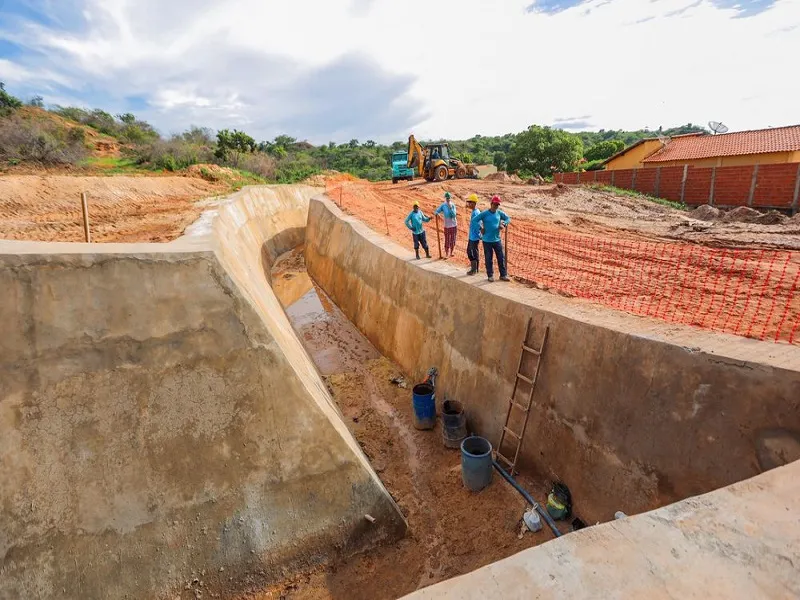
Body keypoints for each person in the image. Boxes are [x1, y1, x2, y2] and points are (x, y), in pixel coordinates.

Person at [473, 195, 510, 282]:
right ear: (491, 203)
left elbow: (508, 218)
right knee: (488, 259)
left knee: (501, 257)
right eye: (495, 204)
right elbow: (474, 220)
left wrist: (504, 224)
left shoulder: (499, 213)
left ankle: (503, 275)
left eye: (497, 204)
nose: (496, 206)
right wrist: (480, 228)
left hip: (497, 240)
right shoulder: (485, 213)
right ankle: (490, 275)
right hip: (487, 241)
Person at [435, 191, 458, 258]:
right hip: (447, 225)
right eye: (447, 198)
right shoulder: (443, 205)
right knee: (447, 239)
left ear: (450, 198)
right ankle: (447, 253)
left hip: (453, 225)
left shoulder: (453, 205)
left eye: (449, 198)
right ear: (445, 198)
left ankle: (451, 252)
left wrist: (451, 208)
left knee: (453, 239)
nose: (448, 199)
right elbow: (436, 211)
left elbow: (454, 215)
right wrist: (437, 214)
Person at [465, 194, 482, 275]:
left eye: (470, 202)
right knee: (471, 252)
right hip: (472, 236)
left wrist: (479, 235)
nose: (469, 204)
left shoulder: (476, 213)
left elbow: (479, 225)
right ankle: (474, 269)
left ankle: (474, 270)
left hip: (474, 237)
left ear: (474, 203)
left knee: (472, 252)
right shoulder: (475, 212)